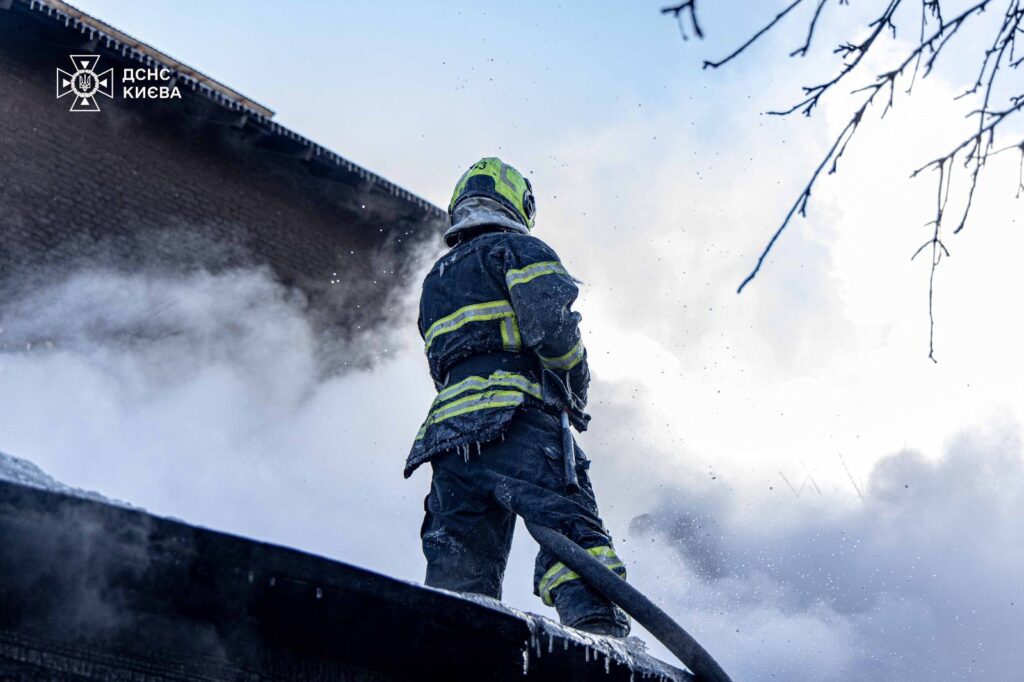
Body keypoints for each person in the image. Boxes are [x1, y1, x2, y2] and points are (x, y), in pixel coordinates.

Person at [404, 157, 629, 637]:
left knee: (458, 565)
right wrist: (574, 387)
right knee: (568, 526)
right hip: (517, 420)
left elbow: (442, 362)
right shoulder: (518, 250)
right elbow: (553, 330)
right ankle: (599, 634)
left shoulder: (435, 281)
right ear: (518, 204)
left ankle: (453, 649)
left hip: (449, 439)